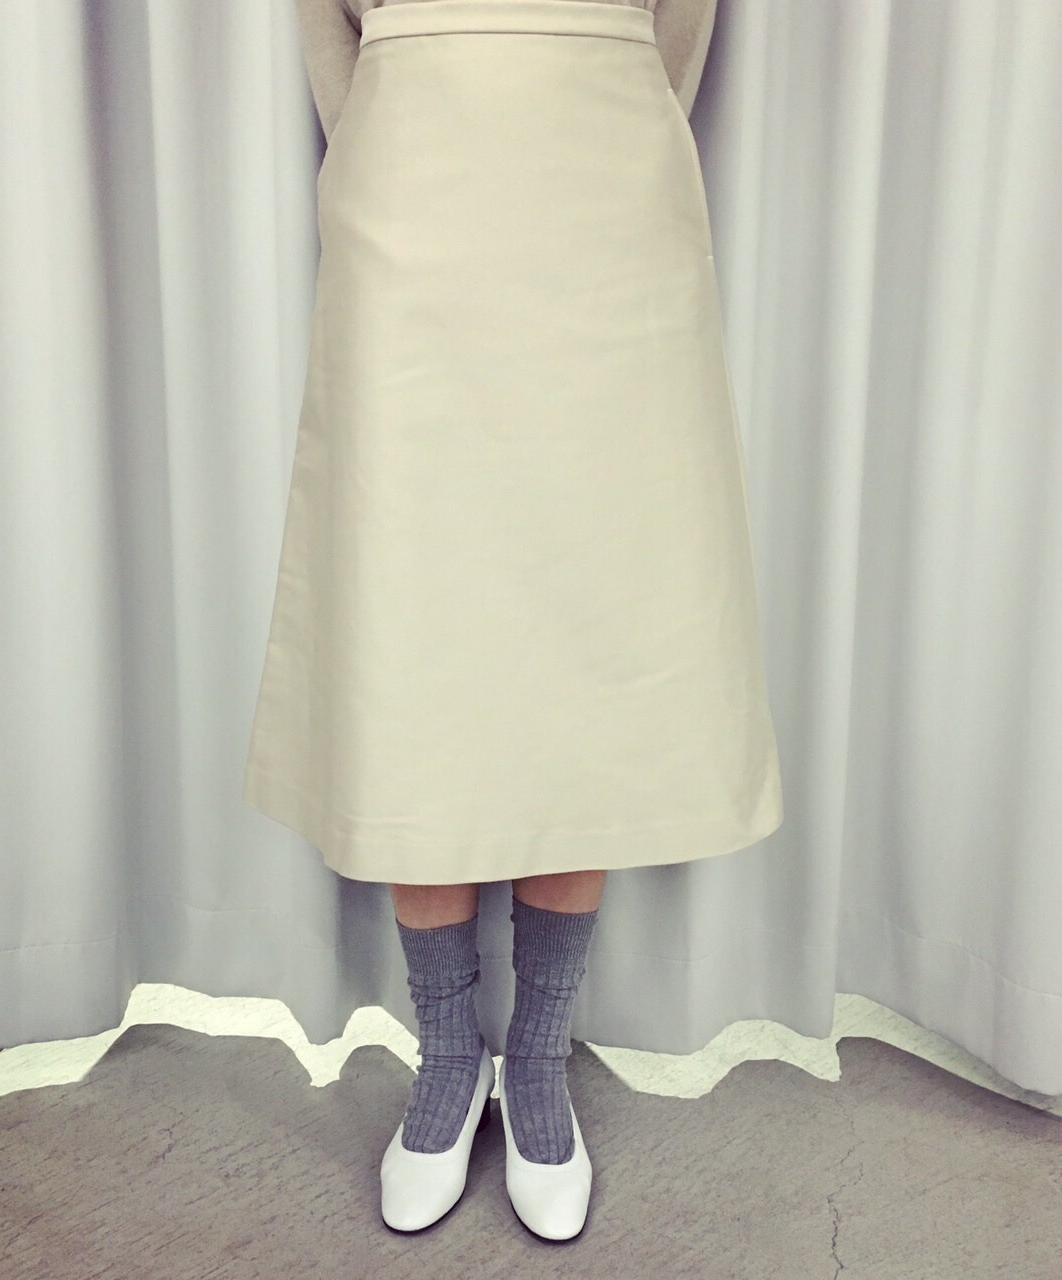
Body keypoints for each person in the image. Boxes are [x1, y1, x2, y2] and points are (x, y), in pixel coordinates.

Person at [243, 0, 783, 1241]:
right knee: (410, 620)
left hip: (603, 187)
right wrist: (398, 111)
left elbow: (676, 25)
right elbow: (328, 28)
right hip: (408, 188)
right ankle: (447, 1053)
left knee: (583, 618)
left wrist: (581, 74)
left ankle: (535, 1056)